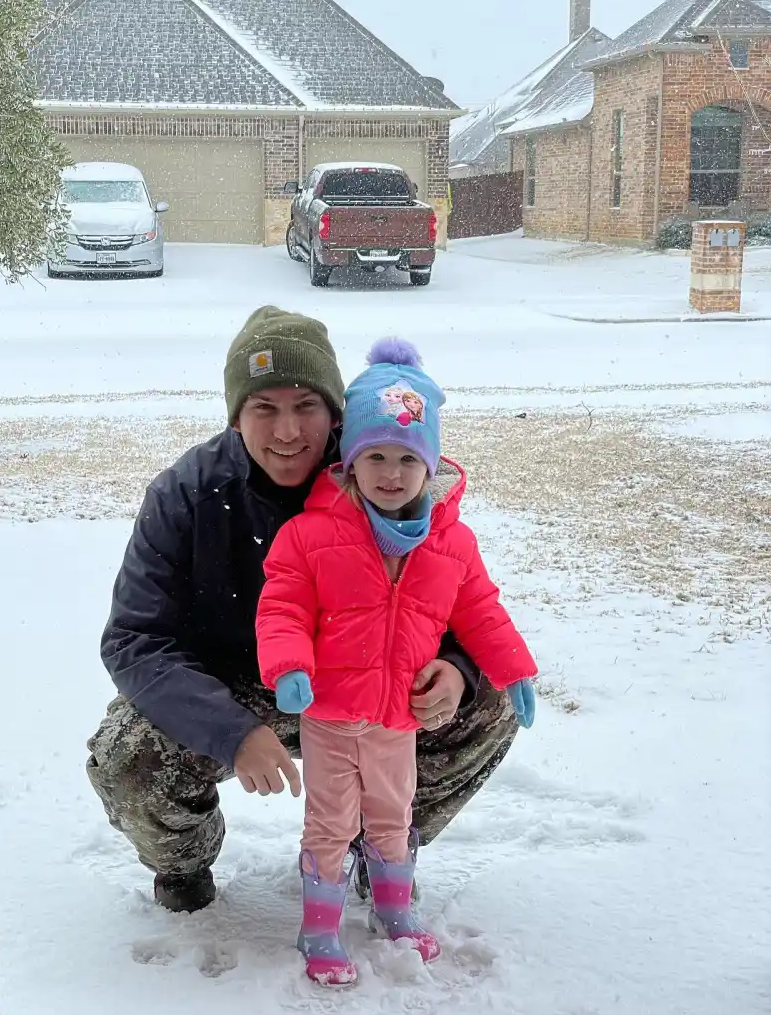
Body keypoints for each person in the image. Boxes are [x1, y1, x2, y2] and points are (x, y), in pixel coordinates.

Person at [87, 306, 525, 916]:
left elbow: (458, 598)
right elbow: (135, 640)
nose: (287, 431)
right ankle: (184, 864)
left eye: (306, 407)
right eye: (264, 408)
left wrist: (458, 669)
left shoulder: (385, 469)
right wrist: (231, 732)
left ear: (337, 414)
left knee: (492, 705)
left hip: (370, 686)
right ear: (236, 415)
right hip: (236, 689)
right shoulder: (185, 493)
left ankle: (384, 847)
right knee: (125, 756)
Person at [256, 338, 537, 985]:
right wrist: (289, 666)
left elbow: (481, 611)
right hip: (329, 714)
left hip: (397, 719)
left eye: (406, 457)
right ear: (351, 463)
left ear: (429, 463)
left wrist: (512, 667)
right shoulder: (313, 533)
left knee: (392, 814)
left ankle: (394, 907)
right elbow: (282, 607)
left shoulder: (450, 541)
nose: (390, 472)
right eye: (374, 455)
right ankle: (320, 926)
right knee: (330, 821)